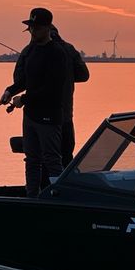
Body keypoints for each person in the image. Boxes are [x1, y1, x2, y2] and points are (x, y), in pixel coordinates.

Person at [0, 8, 68, 197]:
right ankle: (32, 198)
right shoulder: (31, 51)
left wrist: (24, 99)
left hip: (49, 116)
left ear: (47, 28)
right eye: (30, 27)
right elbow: (26, 81)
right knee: (32, 160)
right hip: (30, 116)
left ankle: (60, 198)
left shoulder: (57, 53)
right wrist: (10, 91)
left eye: (36, 28)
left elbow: (52, 88)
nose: (32, 31)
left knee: (52, 161)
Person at [50, 25, 90, 166]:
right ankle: (65, 186)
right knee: (66, 156)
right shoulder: (70, 49)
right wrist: (68, 75)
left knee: (46, 159)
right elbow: (84, 75)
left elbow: (20, 78)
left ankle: (45, 187)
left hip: (45, 119)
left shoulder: (36, 51)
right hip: (67, 115)